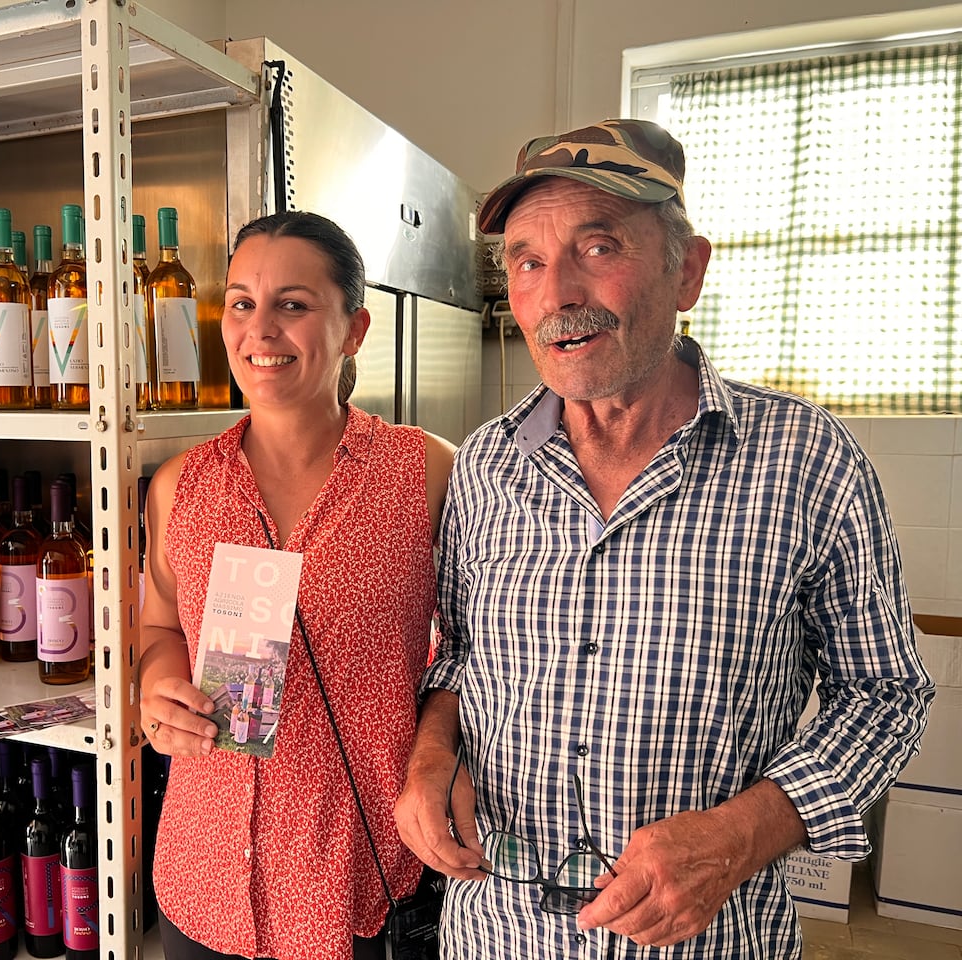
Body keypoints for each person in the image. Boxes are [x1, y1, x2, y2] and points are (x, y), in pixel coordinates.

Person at [394, 119, 935, 959]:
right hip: (494, 931)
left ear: (688, 270)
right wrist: (431, 757)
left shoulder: (806, 460)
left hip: (705, 943)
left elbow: (886, 695)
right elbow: (462, 654)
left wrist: (742, 835)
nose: (557, 292)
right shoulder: (487, 466)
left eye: (599, 246)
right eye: (528, 261)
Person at [139, 210, 455, 960]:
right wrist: (158, 693)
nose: (260, 330)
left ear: (354, 328)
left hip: (358, 878)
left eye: (293, 304)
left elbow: (484, 652)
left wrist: (446, 757)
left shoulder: (427, 474)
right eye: (242, 303)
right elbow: (156, 629)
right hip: (202, 876)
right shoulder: (181, 486)